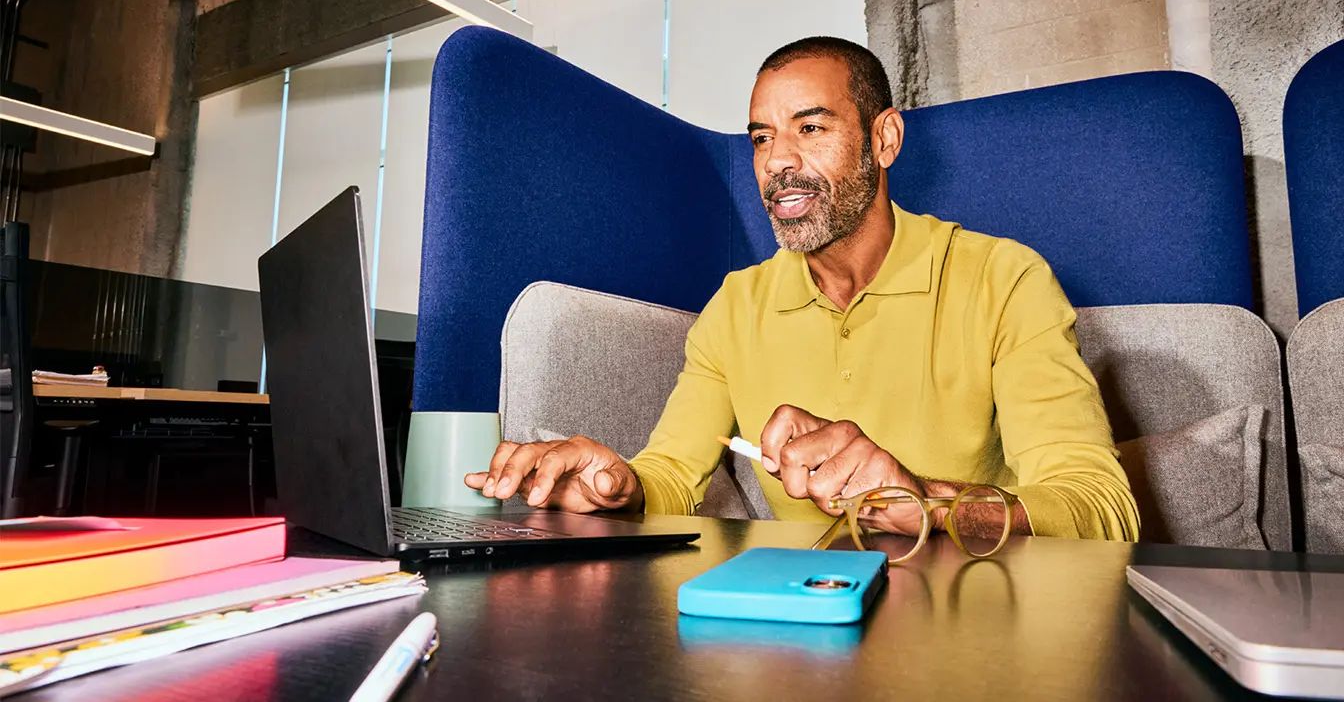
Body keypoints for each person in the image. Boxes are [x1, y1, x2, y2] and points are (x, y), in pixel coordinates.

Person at [464, 37, 1140, 541]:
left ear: (885, 139)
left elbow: (1103, 508)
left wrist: (928, 502)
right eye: (761, 138)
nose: (777, 162)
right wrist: (618, 485)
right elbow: (671, 473)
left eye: (810, 127)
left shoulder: (1004, 278)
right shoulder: (735, 306)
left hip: (974, 621)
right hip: (799, 628)